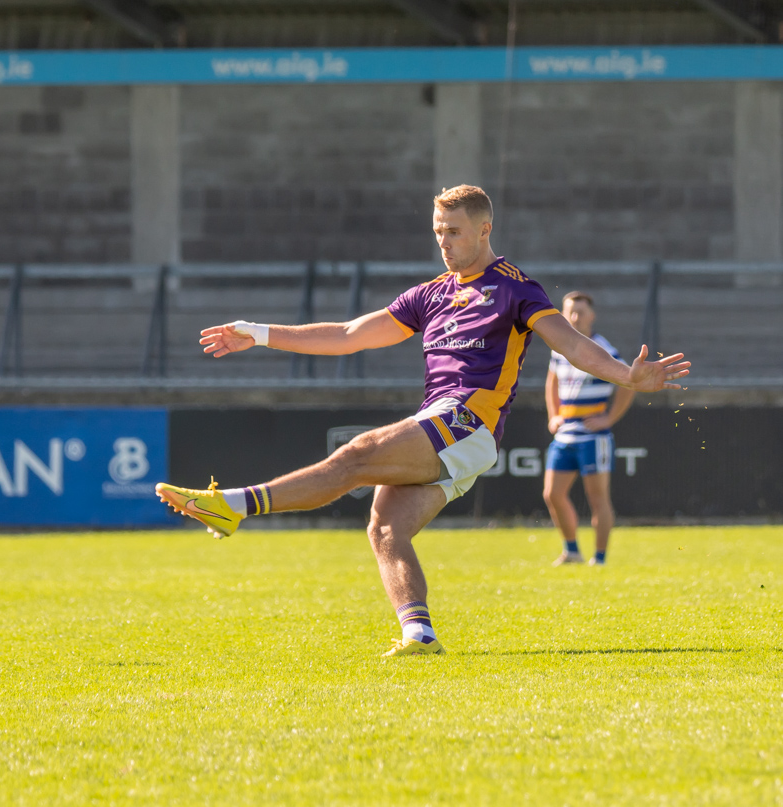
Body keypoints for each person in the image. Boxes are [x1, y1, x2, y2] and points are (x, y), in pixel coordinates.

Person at [155, 185, 690, 657]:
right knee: (386, 528)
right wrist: (259, 331)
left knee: (357, 455)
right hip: (444, 425)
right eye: (438, 232)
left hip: (469, 423)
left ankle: (231, 506)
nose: (445, 242)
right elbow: (348, 335)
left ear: (484, 230)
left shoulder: (515, 288)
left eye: (454, 232)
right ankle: (419, 634)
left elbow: (572, 346)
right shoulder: (431, 294)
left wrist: (626, 376)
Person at [543, 291, 633, 567]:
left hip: (593, 436)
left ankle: (601, 558)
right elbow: (552, 382)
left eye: (580, 312)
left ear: (592, 316)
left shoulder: (603, 349)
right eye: (570, 311)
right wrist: (554, 415)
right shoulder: (560, 348)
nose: (574, 317)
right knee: (552, 494)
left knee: (597, 499)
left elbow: (628, 382)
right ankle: (572, 551)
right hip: (565, 432)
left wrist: (608, 418)